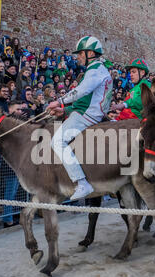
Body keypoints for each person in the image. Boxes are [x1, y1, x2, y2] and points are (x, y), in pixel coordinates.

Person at [47, 36, 113, 200]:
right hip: (89, 113)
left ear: (90, 53)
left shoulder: (95, 69)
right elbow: (84, 99)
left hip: (87, 116)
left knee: (56, 141)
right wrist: (64, 110)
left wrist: (59, 101)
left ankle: (81, 182)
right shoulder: (97, 69)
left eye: (80, 53)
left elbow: (81, 91)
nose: (77, 57)